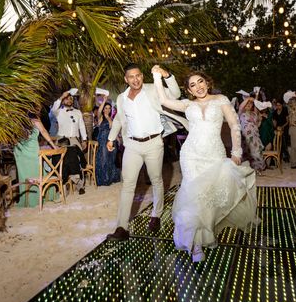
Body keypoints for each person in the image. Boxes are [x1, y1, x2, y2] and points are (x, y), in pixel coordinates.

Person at [152, 67, 257, 262]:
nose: (198, 87)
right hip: (190, 155)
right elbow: (164, 100)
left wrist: (236, 152)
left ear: (207, 82)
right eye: (192, 85)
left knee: (207, 197)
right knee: (193, 197)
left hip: (214, 154)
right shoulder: (186, 104)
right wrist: (157, 76)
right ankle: (196, 244)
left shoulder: (221, 100)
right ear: (189, 91)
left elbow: (234, 125)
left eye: (200, 82)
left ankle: (206, 233)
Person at [106, 63, 188, 240]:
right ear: (126, 79)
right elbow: (119, 119)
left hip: (153, 144)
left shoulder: (152, 90)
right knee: (128, 185)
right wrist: (111, 138)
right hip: (132, 146)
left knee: (156, 180)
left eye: (138, 76)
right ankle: (121, 227)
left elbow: (175, 94)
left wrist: (166, 75)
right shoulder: (121, 98)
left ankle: (156, 215)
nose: (135, 80)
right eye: (131, 77)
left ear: (142, 76)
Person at [13, 111, 57, 207]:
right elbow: (43, 131)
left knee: (26, 175)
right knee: (36, 173)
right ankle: (40, 197)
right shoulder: (33, 117)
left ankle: (28, 200)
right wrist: (53, 145)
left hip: (20, 151)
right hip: (29, 151)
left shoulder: (15, 116)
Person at [95, 99, 121, 186]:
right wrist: (104, 100)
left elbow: (113, 130)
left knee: (112, 159)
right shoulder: (100, 117)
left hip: (112, 140)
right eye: (106, 108)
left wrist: (118, 139)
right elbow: (99, 111)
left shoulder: (111, 118)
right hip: (103, 140)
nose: (107, 110)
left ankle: (112, 177)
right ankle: (104, 179)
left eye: (109, 108)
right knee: (104, 159)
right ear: (103, 109)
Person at [238, 97, 265, 172]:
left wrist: (255, 100)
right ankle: (248, 170)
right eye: (247, 103)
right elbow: (240, 107)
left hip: (255, 137)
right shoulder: (241, 113)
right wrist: (249, 99)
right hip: (245, 138)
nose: (249, 105)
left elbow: (257, 125)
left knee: (256, 153)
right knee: (247, 154)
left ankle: (258, 169)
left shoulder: (254, 114)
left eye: (250, 104)